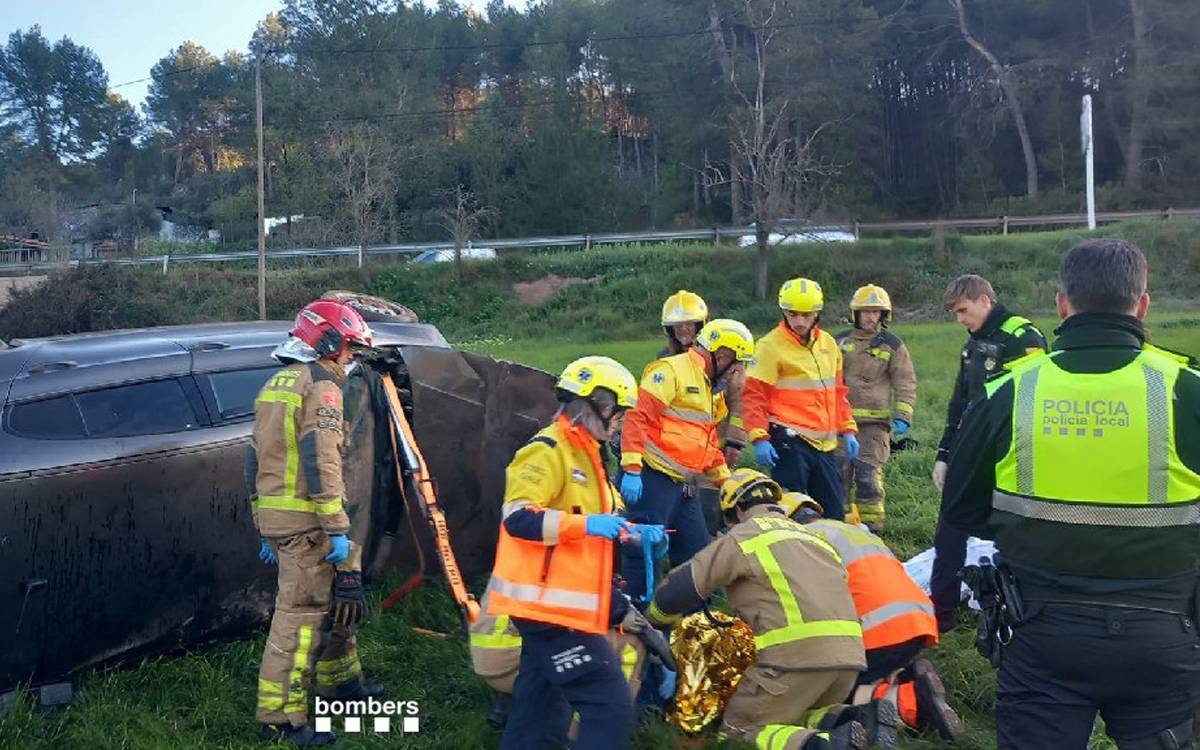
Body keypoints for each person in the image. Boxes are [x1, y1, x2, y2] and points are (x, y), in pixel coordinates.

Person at [942, 238, 1200, 750]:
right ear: (1143, 304)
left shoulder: (1012, 390)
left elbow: (961, 508)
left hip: (1040, 632)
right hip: (1167, 634)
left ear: (1062, 303)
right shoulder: (1185, 389)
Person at [647, 468, 900, 750]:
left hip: (793, 661)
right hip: (849, 662)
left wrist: (654, 621)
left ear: (737, 510)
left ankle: (821, 745)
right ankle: (858, 718)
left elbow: (684, 585)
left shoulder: (743, 537)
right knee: (799, 714)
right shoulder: (816, 540)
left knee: (737, 731)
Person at [488, 356, 666, 750]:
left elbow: (593, 518)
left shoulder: (588, 454)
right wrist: (586, 526)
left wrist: (632, 533)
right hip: (548, 607)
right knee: (610, 706)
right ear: (596, 403)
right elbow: (518, 519)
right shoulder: (548, 449)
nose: (620, 419)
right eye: (617, 410)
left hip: (559, 605)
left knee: (539, 709)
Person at [247, 299, 383, 747]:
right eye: (348, 349)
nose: (351, 359)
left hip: (288, 518)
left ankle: (341, 685)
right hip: (313, 522)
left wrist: (262, 520)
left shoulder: (275, 383)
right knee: (300, 618)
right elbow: (320, 459)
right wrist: (338, 528)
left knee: (342, 603)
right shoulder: (322, 387)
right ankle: (280, 719)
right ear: (326, 342)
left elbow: (254, 458)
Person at [781, 492, 963, 743]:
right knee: (877, 663)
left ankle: (906, 702)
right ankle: (906, 678)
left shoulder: (802, 541)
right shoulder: (853, 531)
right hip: (918, 620)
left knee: (833, 695)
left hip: (878, 631)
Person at [929, 274, 1047, 631]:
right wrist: (944, 452)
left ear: (985, 300)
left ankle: (1021, 605)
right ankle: (941, 613)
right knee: (949, 527)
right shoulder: (973, 343)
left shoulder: (1024, 338)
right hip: (970, 450)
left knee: (1014, 532)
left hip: (1010, 455)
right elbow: (959, 401)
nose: (960, 320)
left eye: (963, 311)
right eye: (954, 313)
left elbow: (1037, 403)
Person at [618, 318, 755, 602]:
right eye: (738, 364)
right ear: (722, 355)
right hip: (650, 480)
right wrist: (631, 468)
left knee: (697, 557)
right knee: (642, 557)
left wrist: (725, 483)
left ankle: (693, 628)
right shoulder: (671, 371)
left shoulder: (711, 390)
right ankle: (636, 629)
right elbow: (637, 417)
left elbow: (706, 445)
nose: (738, 373)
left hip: (685, 487)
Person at [745, 277, 859, 520]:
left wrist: (847, 429)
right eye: (793, 314)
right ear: (784, 312)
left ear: (817, 313)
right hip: (790, 443)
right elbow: (754, 396)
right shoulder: (769, 346)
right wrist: (758, 437)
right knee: (793, 513)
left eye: (806, 315)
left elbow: (838, 392)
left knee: (834, 515)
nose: (799, 322)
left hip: (825, 445)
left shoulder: (828, 344)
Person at [835, 284, 917, 532]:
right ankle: (839, 526)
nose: (871, 317)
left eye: (876, 312)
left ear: (884, 315)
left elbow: (905, 381)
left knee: (868, 477)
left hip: (875, 427)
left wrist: (903, 414)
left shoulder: (892, 345)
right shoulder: (838, 342)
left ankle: (872, 528)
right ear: (855, 314)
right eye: (865, 311)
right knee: (838, 477)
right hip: (839, 424)